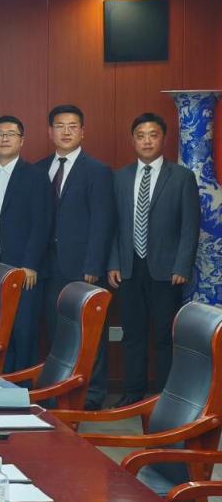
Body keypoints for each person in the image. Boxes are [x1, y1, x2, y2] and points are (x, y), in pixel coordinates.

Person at [108, 113, 200, 405]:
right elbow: (113, 225)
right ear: (133, 140)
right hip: (128, 268)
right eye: (140, 135)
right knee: (132, 335)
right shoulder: (120, 177)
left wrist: (182, 265)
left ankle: (164, 398)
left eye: (153, 135)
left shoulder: (182, 177)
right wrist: (113, 262)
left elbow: (190, 226)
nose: (146, 141)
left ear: (163, 138)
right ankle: (132, 395)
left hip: (167, 270)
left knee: (163, 335)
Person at [37, 105, 114, 409]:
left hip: (83, 266)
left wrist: (94, 265)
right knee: (57, 331)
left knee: (88, 332)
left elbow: (102, 222)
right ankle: (60, 391)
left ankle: (92, 395)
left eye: (72, 126)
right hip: (48, 266)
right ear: (50, 132)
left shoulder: (97, 170)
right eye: (60, 126)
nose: (66, 132)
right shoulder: (40, 168)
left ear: (83, 132)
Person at [0, 116, 52, 372]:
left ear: (22, 140)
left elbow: (41, 223)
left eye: (11, 134)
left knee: (24, 330)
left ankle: (23, 387)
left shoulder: (36, 176)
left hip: (22, 267)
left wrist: (30, 264)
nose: (5, 138)